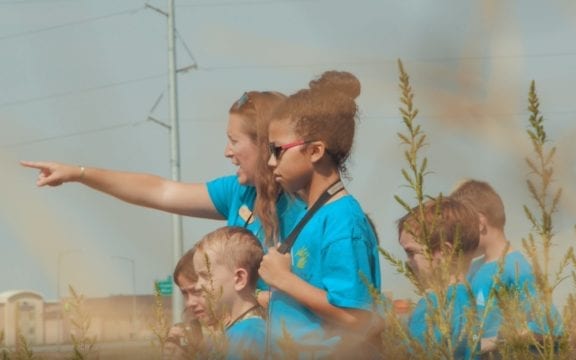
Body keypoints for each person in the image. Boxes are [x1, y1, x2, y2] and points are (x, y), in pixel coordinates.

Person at [20, 91, 306, 304]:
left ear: (264, 144)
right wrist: (79, 173)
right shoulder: (238, 192)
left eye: (234, 141)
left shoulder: (302, 209)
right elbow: (158, 191)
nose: (226, 152)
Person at [257, 70, 382, 357]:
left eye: (278, 150)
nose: (270, 161)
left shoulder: (343, 219)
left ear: (315, 151)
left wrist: (283, 280)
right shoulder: (312, 215)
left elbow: (357, 318)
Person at [450, 179, 563, 352]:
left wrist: (493, 343)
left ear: (480, 223)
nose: (459, 238)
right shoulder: (473, 268)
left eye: (461, 230)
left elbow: (547, 328)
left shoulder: (515, 269)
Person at [397, 197, 481, 358]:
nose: (408, 263)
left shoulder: (433, 306)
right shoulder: (468, 299)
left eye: (411, 253)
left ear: (445, 252)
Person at [193, 226, 266, 359]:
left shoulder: (251, 335)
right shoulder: (227, 334)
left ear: (239, 278)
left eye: (205, 275)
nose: (197, 286)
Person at [164, 248, 205, 359]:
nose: (189, 303)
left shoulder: (239, 333)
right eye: (185, 294)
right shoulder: (190, 330)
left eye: (197, 291)